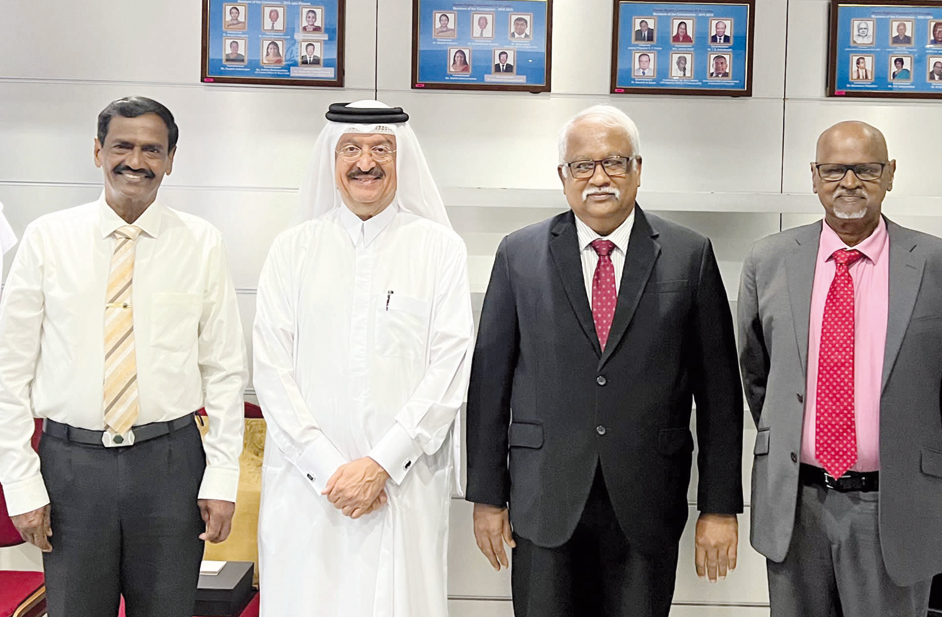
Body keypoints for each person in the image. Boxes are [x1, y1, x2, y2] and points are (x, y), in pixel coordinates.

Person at [466, 105, 744, 617]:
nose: (599, 178)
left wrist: (718, 505)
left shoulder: (689, 254)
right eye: (582, 165)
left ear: (638, 169)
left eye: (615, 162)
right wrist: (486, 495)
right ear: (562, 176)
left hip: (646, 498)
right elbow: (489, 386)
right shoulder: (518, 254)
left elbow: (720, 394)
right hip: (543, 495)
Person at [0, 96, 248, 617]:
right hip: (71, 468)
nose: (136, 160)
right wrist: (20, 483)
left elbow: (224, 370)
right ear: (97, 151)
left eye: (152, 149)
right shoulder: (48, 239)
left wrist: (222, 479)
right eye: (123, 146)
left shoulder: (201, 243)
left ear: (171, 159)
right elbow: (9, 372)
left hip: (170, 465)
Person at [737, 120, 942, 617]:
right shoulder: (768, 261)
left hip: (893, 504)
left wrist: (906, 450)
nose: (849, 183)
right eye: (834, 170)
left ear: (890, 174)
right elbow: (757, 375)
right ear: (814, 177)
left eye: (866, 169)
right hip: (796, 506)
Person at [254, 100, 473, 616]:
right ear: (332, 160)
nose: (365, 162)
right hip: (308, 490)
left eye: (381, 149)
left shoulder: (440, 250)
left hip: (402, 485)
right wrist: (330, 470)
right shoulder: (292, 249)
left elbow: (448, 370)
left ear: (404, 161)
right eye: (350, 149)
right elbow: (271, 371)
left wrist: (380, 463)